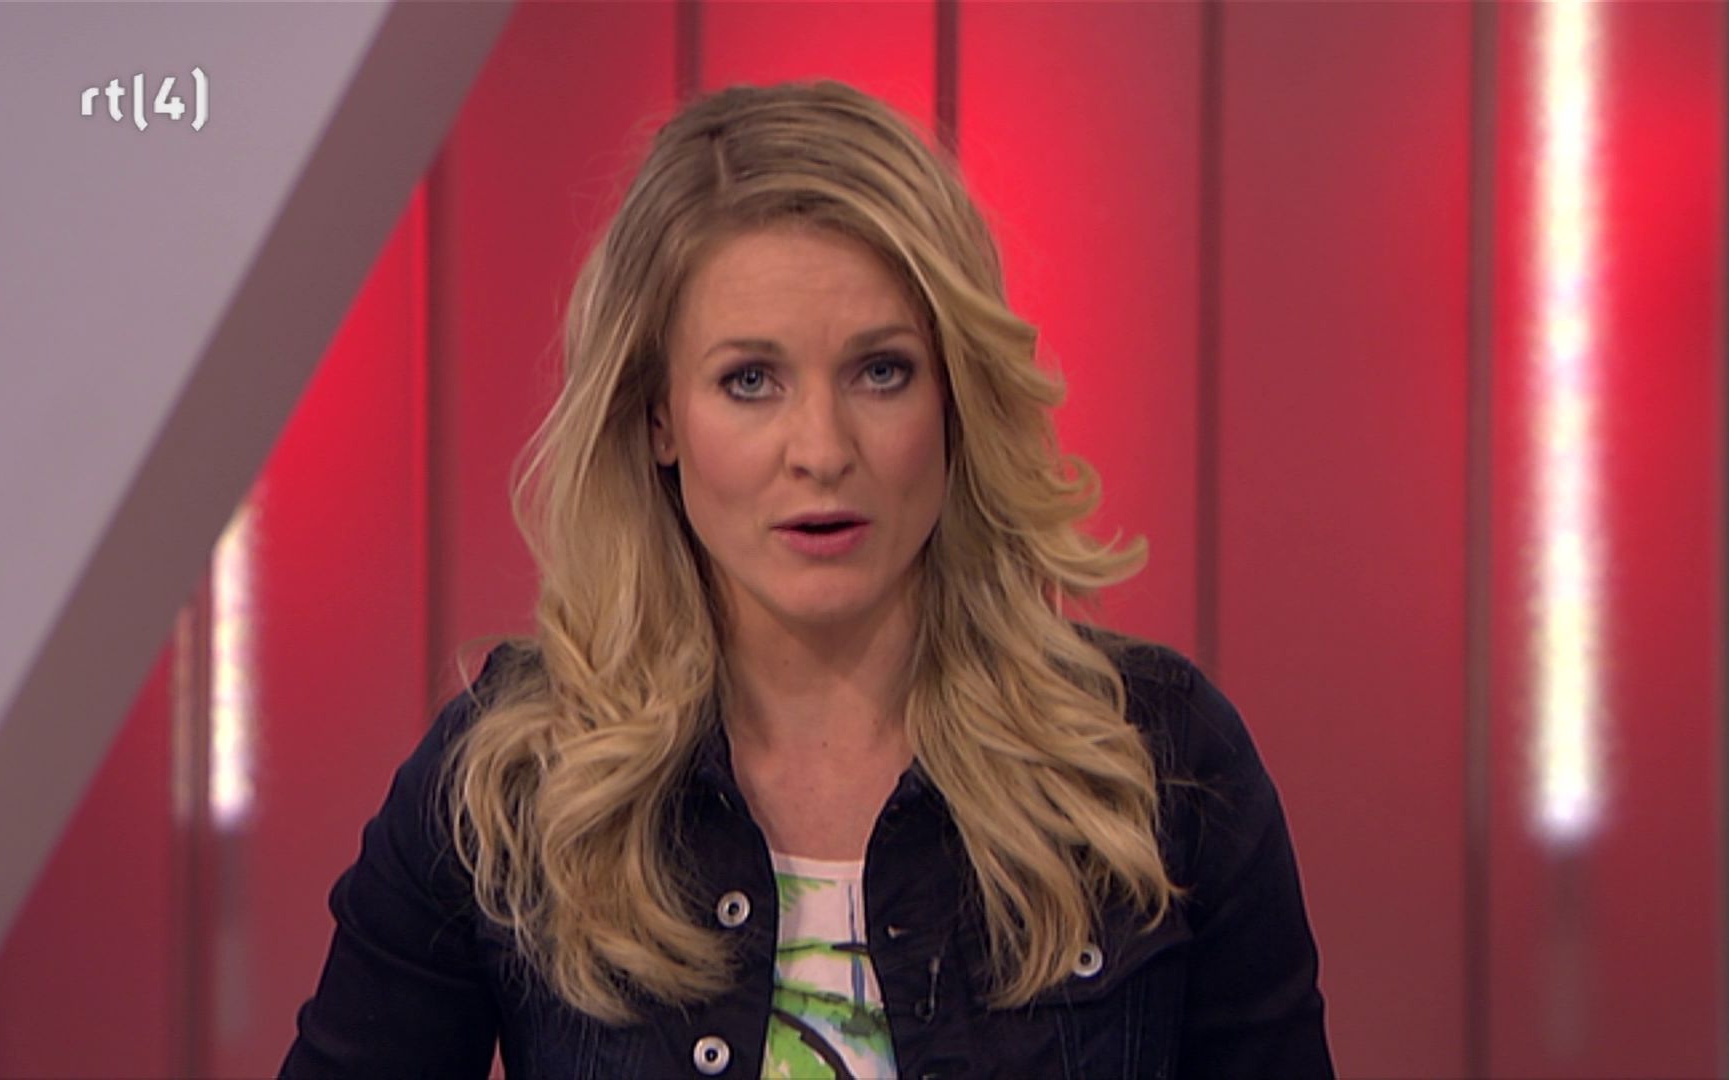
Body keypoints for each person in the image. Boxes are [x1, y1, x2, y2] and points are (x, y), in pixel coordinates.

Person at [281, 80, 1331, 1079]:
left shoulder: (1157, 765)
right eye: (750, 380)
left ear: (955, 397)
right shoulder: (509, 785)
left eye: (882, 371)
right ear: (659, 417)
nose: (822, 450)